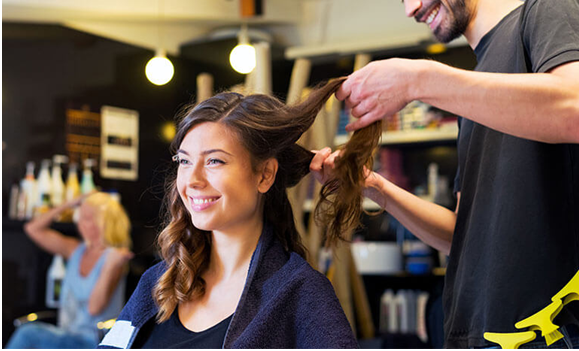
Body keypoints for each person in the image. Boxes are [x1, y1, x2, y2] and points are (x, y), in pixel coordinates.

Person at [311, 0, 579, 349]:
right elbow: (463, 233)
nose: (409, 7)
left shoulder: (547, 10)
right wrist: (375, 188)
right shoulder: (474, 86)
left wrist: (419, 79)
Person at [99, 78, 378, 349]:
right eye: (184, 161)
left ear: (265, 175)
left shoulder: (300, 293)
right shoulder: (159, 282)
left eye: (214, 161)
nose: (192, 179)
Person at [6, 191, 133, 349]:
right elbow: (33, 229)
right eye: (80, 216)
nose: (80, 222)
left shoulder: (114, 258)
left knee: (28, 334)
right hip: (66, 337)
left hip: (94, 341)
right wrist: (69, 204)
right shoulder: (75, 250)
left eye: (87, 218)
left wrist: (110, 267)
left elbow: (94, 308)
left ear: (104, 222)